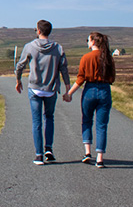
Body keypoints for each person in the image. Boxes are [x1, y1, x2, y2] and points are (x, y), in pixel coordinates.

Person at [15, 20, 71, 165]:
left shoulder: (29, 47)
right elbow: (63, 68)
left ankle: (38, 155)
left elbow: (20, 65)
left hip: (34, 89)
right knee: (50, 118)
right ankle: (49, 149)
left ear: (39, 31)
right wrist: (67, 87)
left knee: (37, 121)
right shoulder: (58, 48)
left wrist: (18, 80)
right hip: (51, 90)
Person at [63, 32, 115, 168]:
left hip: (89, 91)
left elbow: (81, 78)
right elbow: (112, 78)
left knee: (86, 120)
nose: (87, 42)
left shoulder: (86, 57)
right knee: (102, 125)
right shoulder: (108, 58)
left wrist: (69, 93)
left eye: (88, 40)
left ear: (93, 42)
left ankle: (87, 152)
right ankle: (100, 158)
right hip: (104, 90)